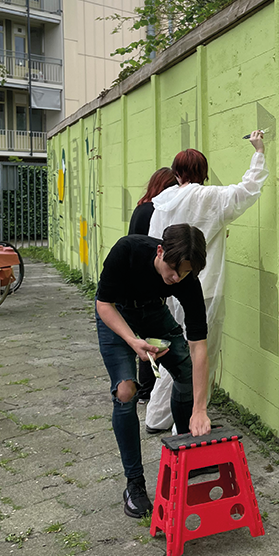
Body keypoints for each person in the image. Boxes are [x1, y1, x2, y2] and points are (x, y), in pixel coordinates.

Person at [144, 131, 269, 434]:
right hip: (204, 289)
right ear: (203, 173)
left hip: (171, 289)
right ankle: (188, 425)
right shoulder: (208, 198)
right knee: (200, 355)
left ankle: (157, 417)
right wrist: (259, 152)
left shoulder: (162, 203)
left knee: (173, 354)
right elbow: (247, 190)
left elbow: (153, 245)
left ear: (176, 173)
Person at [95, 223, 212, 519]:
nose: (177, 278)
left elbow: (199, 347)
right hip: (118, 315)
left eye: (185, 273)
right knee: (125, 391)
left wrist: (200, 408)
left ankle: (186, 453)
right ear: (160, 251)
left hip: (153, 313)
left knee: (185, 369)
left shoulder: (186, 279)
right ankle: (134, 484)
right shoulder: (128, 250)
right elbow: (103, 304)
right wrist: (133, 341)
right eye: (174, 270)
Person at [128, 167, 178, 401]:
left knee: (145, 338)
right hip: (149, 281)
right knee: (153, 339)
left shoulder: (141, 208)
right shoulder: (155, 210)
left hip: (135, 278)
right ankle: (149, 389)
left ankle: (145, 389)